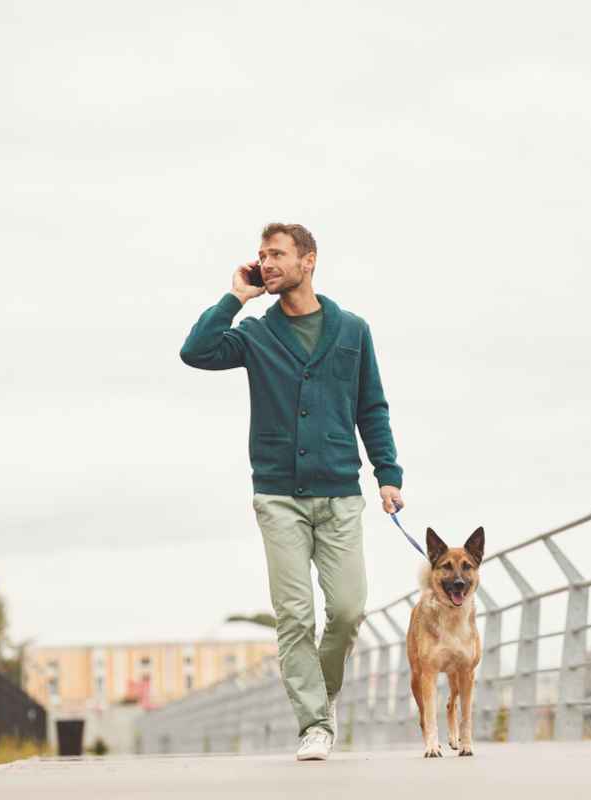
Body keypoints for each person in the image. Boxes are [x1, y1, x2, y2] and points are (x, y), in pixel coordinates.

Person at [179, 222, 404, 761]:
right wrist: (236, 296)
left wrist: (387, 473)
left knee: (348, 610)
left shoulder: (352, 330)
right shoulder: (256, 333)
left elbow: (371, 405)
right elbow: (196, 351)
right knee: (295, 615)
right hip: (278, 495)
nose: (267, 262)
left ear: (309, 261)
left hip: (341, 494)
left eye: (277, 254)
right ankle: (314, 723)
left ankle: (319, 696)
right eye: (262, 255)